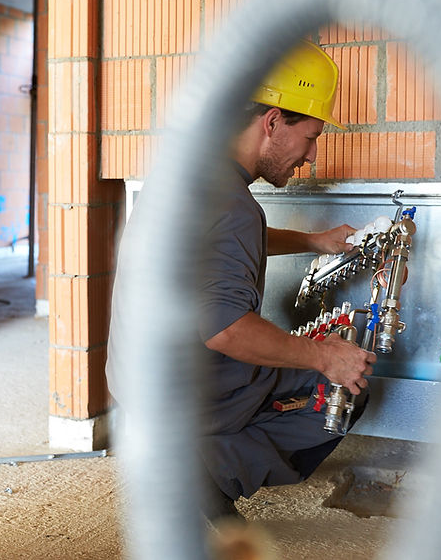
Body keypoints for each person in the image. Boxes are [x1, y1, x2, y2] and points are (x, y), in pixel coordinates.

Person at [106, 40, 376, 521]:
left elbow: (218, 245)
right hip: (192, 399)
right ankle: (205, 476)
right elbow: (227, 331)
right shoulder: (234, 207)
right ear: (272, 122)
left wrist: (313, 241)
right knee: (347, 384)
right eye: (310, 137)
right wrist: (324, 356)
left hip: (138, 382)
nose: (311, 155)